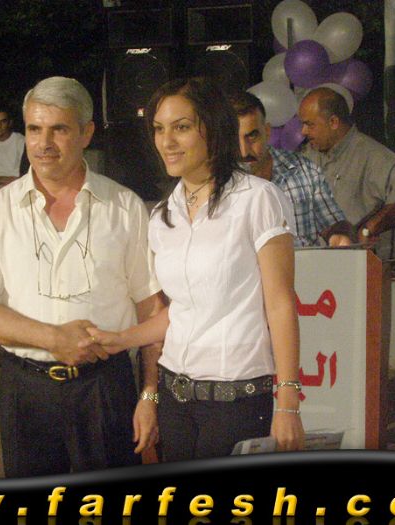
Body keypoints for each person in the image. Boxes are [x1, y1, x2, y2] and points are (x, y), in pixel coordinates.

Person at [0, 76, 163, 477]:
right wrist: (53, 339)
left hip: (105, 388)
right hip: (26, 391)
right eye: (34, 129)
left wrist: (150, 394)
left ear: (86, 133)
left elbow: (151, 309)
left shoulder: (124, 208)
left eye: (59, 129)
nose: (43, 143)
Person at [83, 77, 305, 461]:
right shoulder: (163, 216)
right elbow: (181, 312)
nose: (166, 141)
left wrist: (288, 404)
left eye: (181, 127)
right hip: (175, 401)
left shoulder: (257, 199)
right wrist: (120, 340)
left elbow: (281, 304)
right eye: (159, 129)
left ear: (214, 129)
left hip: (236, 402)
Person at [299, 87, 395, 260]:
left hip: (357, 264)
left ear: (333, 122)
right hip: (312, 261)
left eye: (310, 124)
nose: (303, 131)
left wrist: (369, 228)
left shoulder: (373, 155)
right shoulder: (308, 155)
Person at [229, 90, 354, 247]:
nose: (243, 151)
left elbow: (333, 223)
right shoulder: (217, 182)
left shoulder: (305, 171)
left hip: (304, 263)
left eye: (252, 136)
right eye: (234, 139)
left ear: (267, 131)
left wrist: (340, 235)